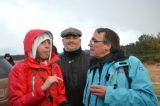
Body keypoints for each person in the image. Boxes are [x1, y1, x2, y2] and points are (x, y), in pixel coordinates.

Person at [83, 28, 158, 106]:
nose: (89, 44)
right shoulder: (92, 66)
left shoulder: (132, 63)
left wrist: (109, 94)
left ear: (108, 46)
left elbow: (149, 100)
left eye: (93, 41)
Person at [8, 29, 70, 106]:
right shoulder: (19, 69)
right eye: (42, 42)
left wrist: (63, 103)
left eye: (49, 42)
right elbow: (15, 103)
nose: (47, 46)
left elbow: (61, 94)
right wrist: (42, 89)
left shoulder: (55, 67)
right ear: (33, 46)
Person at [57, 27, 90, 106]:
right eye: (68, 38)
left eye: (75, 38)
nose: (71, 40)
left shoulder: (91, 58)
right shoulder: (55, 61)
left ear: (80, 41)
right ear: (63, 41)